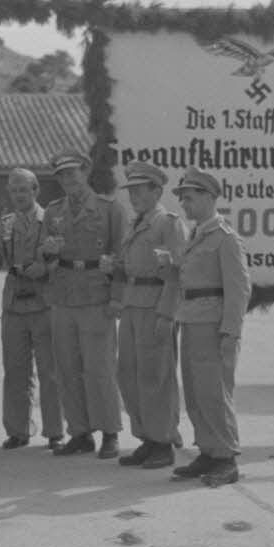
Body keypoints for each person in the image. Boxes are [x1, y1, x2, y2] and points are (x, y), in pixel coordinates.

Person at [41, 151, 128, 459]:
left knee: (99, 368)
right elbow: (46, 258)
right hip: (64, 297)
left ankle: (109, 432)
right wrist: (49, 252)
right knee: (67, 368)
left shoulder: (110, 209)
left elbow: (121, 256)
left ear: (86, 171)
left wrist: (117, 297)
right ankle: (79, 432)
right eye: (62, 175)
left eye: (73, 172)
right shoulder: (53, 212)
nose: (68, 179)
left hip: (96, 296)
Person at [169, 167, 252, 487]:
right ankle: (208, 450)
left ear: (208, 197)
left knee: (214, 392)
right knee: (195, 392)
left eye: (189, 198)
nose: (184, 204)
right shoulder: (198, 235)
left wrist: (231, 332)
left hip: (214, 325)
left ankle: (226, 458)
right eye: (183, 198)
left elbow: (239, 289)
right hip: (191, 320)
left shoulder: (225, 238)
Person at [0, 167, 64, 450]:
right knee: (15, 370)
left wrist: (45, 267)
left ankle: (55, 431)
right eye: (14, 190)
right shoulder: (4, 225)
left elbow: (63, 259)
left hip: (44, 303)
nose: (19, 195)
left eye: (24, 190)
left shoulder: (51, 221)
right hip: (15, 304)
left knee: (50, 371)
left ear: (35, 190)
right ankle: (18, 430)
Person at [113, 161, 186, 469]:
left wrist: (167, 314)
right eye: (131, 191)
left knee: (156, 376)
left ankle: (163, 441)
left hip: (156, 306)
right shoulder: (136, 223)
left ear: (157, 191)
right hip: (132, 305)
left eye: (140, 190)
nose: (134, 197)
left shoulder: (167, 223)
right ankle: (147, 437)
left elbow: (178, 272)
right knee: (128, 374)